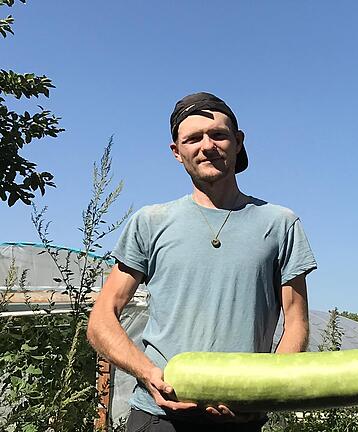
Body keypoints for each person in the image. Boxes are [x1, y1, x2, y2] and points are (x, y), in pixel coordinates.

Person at [87, 92, 317, 431]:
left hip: (242, 419)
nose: (206, 146)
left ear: (238, 143)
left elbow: (296, 322)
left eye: (218, 135)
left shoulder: (279, 223)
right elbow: (101, 319)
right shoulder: (151, 221)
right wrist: (149, 373)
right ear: (177, 152)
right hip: (157, 417)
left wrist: (266, 392)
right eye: (192, 138)